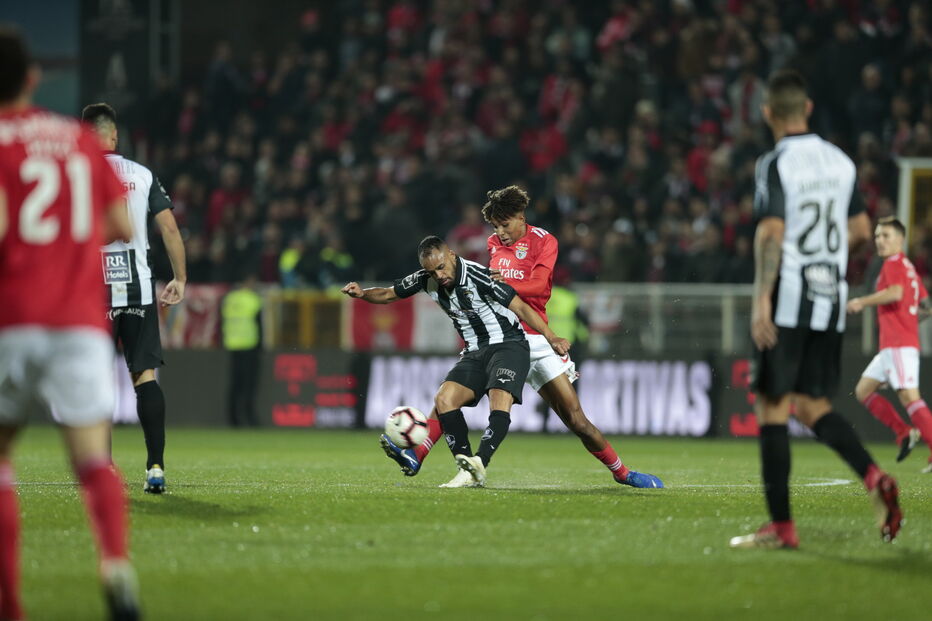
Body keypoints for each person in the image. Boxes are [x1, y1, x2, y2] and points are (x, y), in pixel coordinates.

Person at [382, 186, 664, 489]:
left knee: (576, 419)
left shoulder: (545, 241)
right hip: (497, 338)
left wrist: (503, 287)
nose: (500, 233)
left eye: (505, 225)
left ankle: (621, 472)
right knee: (447, 401)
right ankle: (418, 457)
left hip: (536, 339)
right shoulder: (492, 244)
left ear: (521, 217)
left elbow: (541, 285)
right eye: (495, 226)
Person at [0, 26, 139, 619]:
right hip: (81, 322)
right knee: (91, 457)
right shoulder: (80, 140)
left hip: (14, 317)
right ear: (33, 77)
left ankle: (10, 605)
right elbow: (120, 225)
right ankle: (114, 562)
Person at [731, 69, 901, 550]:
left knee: (771, 406)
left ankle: (782, 527)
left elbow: (770, 232)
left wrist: (762, 299)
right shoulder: (843, 163)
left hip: (787, 295)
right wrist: (825, 259)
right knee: (812, 405)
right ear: (807, 109)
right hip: (828, 299)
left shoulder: (775, 162)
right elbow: (863, 231)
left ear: (768, 114)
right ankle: (873, 477)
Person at [342, 236, 571, 487]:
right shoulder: (424, 279)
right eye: (432, 271)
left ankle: (480, 462)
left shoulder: (479, 275)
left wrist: (551, 337)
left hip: (508, 345)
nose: (438, 276)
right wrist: (362, 294)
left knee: (499, 399)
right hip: (474, 351)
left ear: (451, 255)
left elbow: (521, 307)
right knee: (444, 399)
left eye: (441, 267)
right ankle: (465, 467)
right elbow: (388, 294)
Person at [82, 102, 187, 494]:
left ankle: (103, 471)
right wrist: (180, 277)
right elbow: (170, 229)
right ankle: (156, 467)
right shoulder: (141, 175)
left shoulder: (78, 171)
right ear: (114, 135)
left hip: (91, 293)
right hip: (138, 288)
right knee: (144, 376)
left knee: (95, 381)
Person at [847, 216, 932, 471]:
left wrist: (862, 301)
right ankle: (904, 432)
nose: (880, 241)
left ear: (900, 239)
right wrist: (908, 318)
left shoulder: (894, 264)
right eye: (877, 236)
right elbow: (926, 307)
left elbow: (895, 293)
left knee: (909, 396)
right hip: (894, 345)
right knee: (863, 390)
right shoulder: (909, 268)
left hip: (897, 344)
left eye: (886, 236)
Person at [222, 272, 263, 427]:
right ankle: (250, 417)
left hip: (232, 345)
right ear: (250, 281)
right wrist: (261, 346)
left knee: (235, 385)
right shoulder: (253, 299)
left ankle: (233, 419)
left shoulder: (230, 299)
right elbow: (260, 324)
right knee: (249, 385)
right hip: (249, 346)